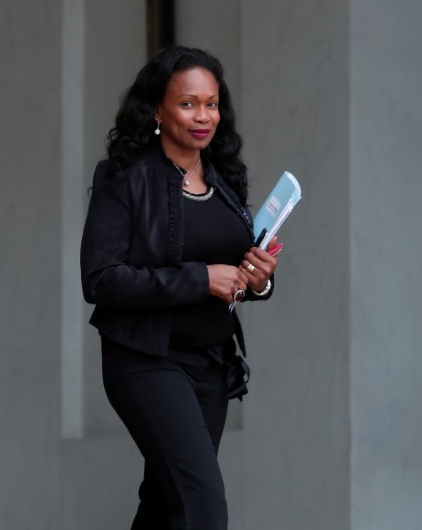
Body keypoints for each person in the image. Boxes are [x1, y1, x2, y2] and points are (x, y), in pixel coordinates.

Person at [80, 46, 280, 530]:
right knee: (202, 508)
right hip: (147, 360)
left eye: (211, 104)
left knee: (167, 507)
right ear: (156, 109)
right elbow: (101, 279)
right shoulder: (124, 178)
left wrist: (258, 281)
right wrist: (201, 278)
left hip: (211, 362)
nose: (203, 116)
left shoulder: (227, 179)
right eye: (188, 103)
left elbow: (234, 277)